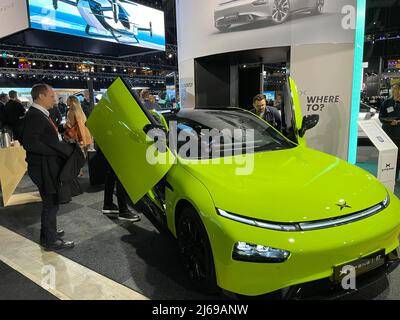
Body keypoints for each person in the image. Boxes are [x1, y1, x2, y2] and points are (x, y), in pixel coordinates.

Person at [21, 84, 75, 250]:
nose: (55, 100)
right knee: (51, 202)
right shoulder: (36, 115)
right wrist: (55, 150)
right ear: (41, 96)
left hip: (45, 165)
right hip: (42, 167)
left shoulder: (40, 114)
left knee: (50, 202)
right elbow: (30, 143)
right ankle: (51, 241)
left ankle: (48, 235)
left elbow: (42, 137)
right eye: (52, 96)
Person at [99, 148, 141, 222]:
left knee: (112, 172)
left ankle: (108, 205)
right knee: (122, 174)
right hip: (118, 146)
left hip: (110, 145)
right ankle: (123, 211)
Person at [379, 83, 400, 180]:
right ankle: (389, 177)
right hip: (388, 135)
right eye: (394, 89)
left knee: (398, 158)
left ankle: (395, 177)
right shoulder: (387, 103)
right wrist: (389, 122)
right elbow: (381, 117)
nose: (396, 92)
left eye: (397, 89)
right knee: (388, 156)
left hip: (398, 135)